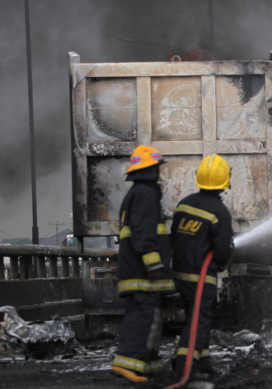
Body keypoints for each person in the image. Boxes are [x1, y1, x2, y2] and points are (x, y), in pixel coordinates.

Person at [111, 145, 175, 383]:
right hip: (142, 274)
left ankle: (148, 364)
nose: (159, 172)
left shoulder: (137, 194)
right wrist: (155, 265)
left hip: (136, 271)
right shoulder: (145, 195)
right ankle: (127, 363)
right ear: (150, 169)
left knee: (148, 317)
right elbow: (143, 234)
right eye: (157, 167)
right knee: (143, 318)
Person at [170, 153, 234, 375]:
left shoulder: (184, 205)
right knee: (199, 320)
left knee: (194, 316)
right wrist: (223, 262)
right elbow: (223, 250)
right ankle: (183, 363)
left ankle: (202, 362)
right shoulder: (219, 212)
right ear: (224, 181)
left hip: (180, 273)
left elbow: (174, 237)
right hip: (201, 276)